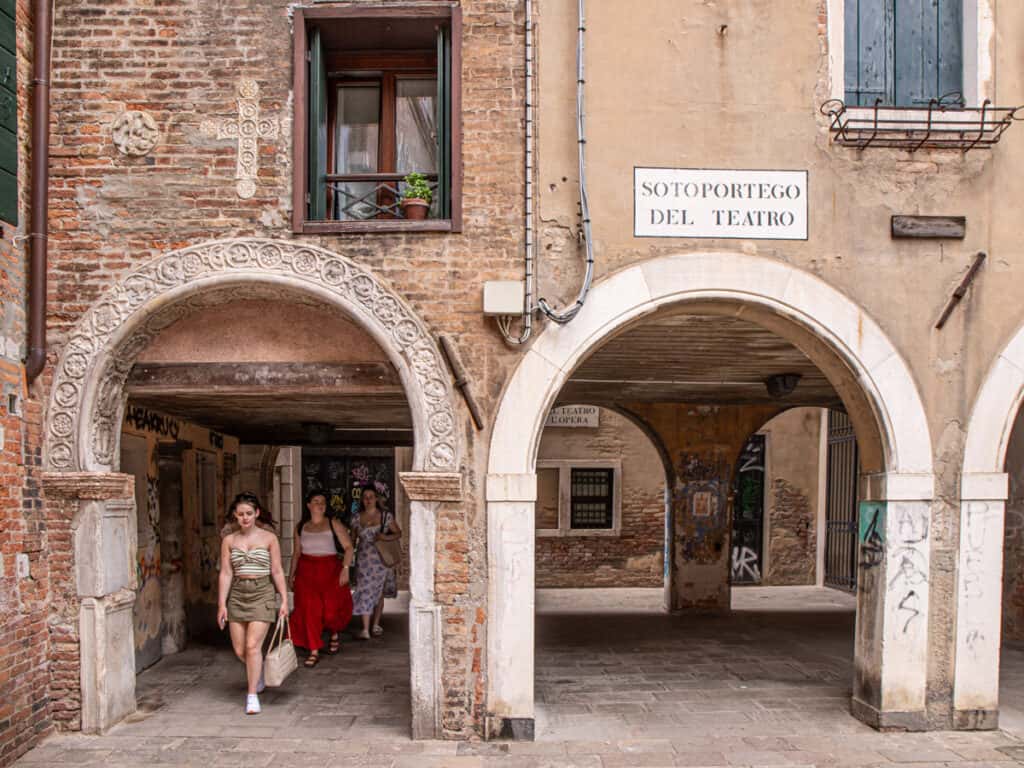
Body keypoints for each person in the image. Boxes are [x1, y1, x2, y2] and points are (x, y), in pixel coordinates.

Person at [217, 492, 288, 715]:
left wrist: (284, 599)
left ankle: (252, 695)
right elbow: (226, 573)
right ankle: (256, 675)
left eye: (249, 513)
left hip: (262, 592)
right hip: (238, 594)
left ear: (257, 513)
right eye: (240, 514)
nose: (245, 518)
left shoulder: (269, 538)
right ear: (235, 516)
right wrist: (222, 604)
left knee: (252, 646)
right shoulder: (229, 541)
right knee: (239, 650)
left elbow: (276, 570)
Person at [288, 489, 354, 667]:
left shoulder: (333, 523)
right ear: (309, 505)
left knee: (330, 609)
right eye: (316, 501)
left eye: (323, 502)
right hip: (306, 571)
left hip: (330, 569)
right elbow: (296, 553)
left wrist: (346, 568)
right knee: (309, 609)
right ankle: (314, 649)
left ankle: (333, 632)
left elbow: (348, 547)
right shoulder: (300, 526)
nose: (320, 505)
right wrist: (291, 575)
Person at [351, 486, 402, 640]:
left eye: (371, 496)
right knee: (365, 590)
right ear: (362, 500)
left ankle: (376, 624)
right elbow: (353, 540)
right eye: (365, 497)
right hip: (364, 560)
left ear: (376, 499)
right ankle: (366, 628)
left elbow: (398, 533)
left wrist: (384, 537)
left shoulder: (386, 516)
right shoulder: (356, 518)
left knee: (378, 592)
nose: (368, 500)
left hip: (382, 559)